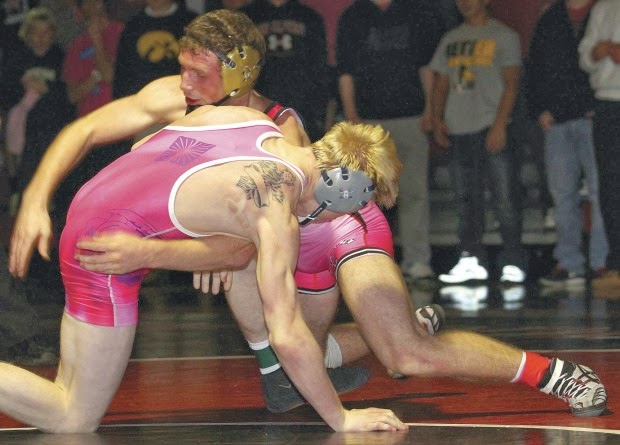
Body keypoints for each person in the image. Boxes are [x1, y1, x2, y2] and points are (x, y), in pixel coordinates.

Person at [11, 9, 608, 420]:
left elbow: (255, 230)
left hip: (331, 224)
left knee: (400, 354)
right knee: (306, 352)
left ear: (239, 73)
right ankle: (293, 362)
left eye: (198, 72)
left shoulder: (279, 131)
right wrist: (36, 199)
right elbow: (89, 131)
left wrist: (193, 246)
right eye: (184, 67)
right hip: (274, 232)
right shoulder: (180, 98)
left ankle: (549, 372)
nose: (183, 82)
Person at [3, 102, 409, 433]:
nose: (343, 220)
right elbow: (286, 334)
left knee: (68, 386)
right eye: (354, 210)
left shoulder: (249, 120)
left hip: (92, 201)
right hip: (110, 250)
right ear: (342, 190)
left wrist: (203, 222)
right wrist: (341, 417)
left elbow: (146, 146)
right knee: (74, 416)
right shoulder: (274, 208)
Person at [336, 0, 444, 282]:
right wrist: (351, 116)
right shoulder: (354, 15)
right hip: (368, 120)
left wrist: (430, 110)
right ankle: (367, 260)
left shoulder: (415, 10)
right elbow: (346, 72)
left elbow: (426, 66)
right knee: (363, 196)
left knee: (414, 193)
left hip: (411, 116)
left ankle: (417, 260)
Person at [430, 0, 527, 284]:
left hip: (490, 126)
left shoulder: (504, 36)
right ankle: (471, 258)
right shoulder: (450, 38)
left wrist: (500, 124)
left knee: (505, 196)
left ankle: (513, 260)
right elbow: (441, 82)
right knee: (465, 199)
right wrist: (437, 119)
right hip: (459, 128)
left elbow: (512, 83)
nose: (465, 3)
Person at [527, 0, 608, 290]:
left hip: (595, 116)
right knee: (562, 195)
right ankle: (569, 263)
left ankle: (602, 263)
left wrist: (599, 106)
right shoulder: (551, 16)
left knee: (602, 192)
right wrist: (539, 109)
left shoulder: (604, 11)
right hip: (557, 119)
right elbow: (535, 65)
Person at [578, 0, 620, 297]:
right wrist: (597, 51)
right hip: (607, 102)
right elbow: (584, 57)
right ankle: (617, 261)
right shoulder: (603, 7)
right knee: (611, 185)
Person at [242, 0, 329, 142]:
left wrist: (319, 111)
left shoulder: (309, 16)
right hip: (256, 107)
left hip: (303, 108)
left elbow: (320, 68)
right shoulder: (247, 16)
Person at [112, 0, 196, 100]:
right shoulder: (133, 25)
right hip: (141, 99)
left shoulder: (191, 22)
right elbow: (122, 71)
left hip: (180, 97)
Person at [63, 0, 124, 118]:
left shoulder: (121, 32)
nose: (92, 4)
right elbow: (72, 96)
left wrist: (96, 40)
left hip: (119, 115)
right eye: (86, 2)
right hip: (89, 118)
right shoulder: (76, 45)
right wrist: (94, 78)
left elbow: (108, 76)